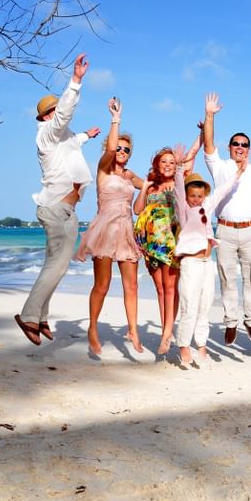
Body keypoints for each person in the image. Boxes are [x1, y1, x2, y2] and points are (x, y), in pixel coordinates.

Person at [15, 53, 99, 345]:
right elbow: (64, 115)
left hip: (68, 211)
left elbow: (73, 143)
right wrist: (75, 81)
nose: (57, 114)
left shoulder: (63, 138)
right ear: (46, 117)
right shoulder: (47, 134)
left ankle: (40, 317)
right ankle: (28, 316)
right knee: (57, 266)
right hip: (55, 208)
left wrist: (87, 136)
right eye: (53, 111)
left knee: (54, 266)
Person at [203, 95, 251, 345]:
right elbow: (208, 144)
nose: (241, 147)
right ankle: (230, 322)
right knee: (227, 279)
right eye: (236, 143)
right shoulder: (221, 166)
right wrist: (210, 115)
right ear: (230, 146)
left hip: (249, 232)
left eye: (244, 144)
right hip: (224, 230)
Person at [74, 97, 144, 355]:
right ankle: (93, 327)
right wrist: (116, 118)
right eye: (119, 149)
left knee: (132, 286)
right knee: (102, 285)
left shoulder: (129, 175)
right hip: (105, 230)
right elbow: (111, 149)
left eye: (127, 150)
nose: (122, 153)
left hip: (126, 231)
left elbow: (154, 182)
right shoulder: (104, 169)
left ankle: (133, 330)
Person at [171, 141, 242, 367]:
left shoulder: (206, 207)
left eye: (200, 195)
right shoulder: (183, 211)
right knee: (189, 304)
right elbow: (178, 189)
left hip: (206, 263)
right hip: (190, 264)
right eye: (193, 195)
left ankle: (201, 345)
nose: (197, 199)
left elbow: (221, 192)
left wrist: (238, 174)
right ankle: (184, 346)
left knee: (205, 305)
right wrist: (180, 168)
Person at [134, 147, 180, 355]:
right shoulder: (151, 187)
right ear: (157, 165)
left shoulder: (178, 184)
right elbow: (137, 210)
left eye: (172, 162)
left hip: (171, 243)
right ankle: (166, 330)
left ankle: (167, 334)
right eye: (164, 162)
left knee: (171, 288)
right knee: (160, 289)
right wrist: (144, 187)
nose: (168, 165)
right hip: (151, 244)